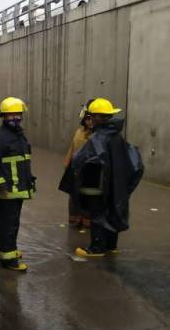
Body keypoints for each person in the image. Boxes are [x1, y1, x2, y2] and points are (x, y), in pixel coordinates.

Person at [59, 98, 144, 257]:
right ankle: (111, 246)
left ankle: (96, 248)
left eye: (92, 116)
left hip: (98, 185)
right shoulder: (116, 136)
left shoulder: (98, 138)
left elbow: (82, 159)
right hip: (115, 185)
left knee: (97, 214)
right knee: (112, 211)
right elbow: (136, 164)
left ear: (96, 117)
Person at [0, 97, 36, 271]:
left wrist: (30, 182)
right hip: (7, 191)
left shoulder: (18, 135)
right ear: (3, 116)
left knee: (6, 222)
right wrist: (0, 186)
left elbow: (23, 161)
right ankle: (9, 258)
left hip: (18, 189)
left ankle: (2, 248)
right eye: (11, 114)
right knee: (10, 223)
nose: (15, 118)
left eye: (18, 114)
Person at [63, 100, 95, 228]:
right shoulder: (79, 132)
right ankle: (76, 221)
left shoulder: (99, 136)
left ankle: (88, 222)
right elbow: (72, 148)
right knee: (75, 198)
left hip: (91, 175)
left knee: (89, 199)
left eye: (93, 119)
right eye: (88, 119)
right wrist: (67, 164)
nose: (90, 122)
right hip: (76, 172)